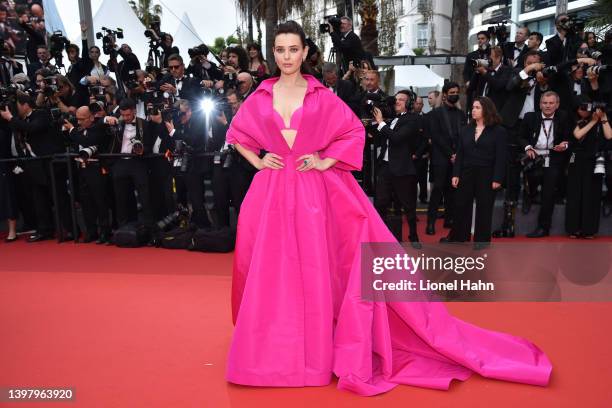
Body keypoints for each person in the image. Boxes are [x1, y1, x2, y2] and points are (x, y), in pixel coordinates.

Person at [225, 20, 551, 396]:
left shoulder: (321, 96)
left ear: (305, 53)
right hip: (272, 193)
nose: (286, 57)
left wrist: (324, 161)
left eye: (293, 49)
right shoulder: (261, 95)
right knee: (274, 270)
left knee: (316, 268)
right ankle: (272, 351)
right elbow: (237, 134)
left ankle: (315, 350)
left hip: (315, 194)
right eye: (280, 50)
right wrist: (259, 160)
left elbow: (351, 132)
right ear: (274, 53)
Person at [444, 97, 506, 248]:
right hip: (466, 172)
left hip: (487, 174)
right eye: (473, 107)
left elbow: (501, 157)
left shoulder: (499, 131)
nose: (473, 110)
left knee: (484, 208)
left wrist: (498, 178)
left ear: (486, 109)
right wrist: (456, 174)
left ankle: (481, 241)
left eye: (477, 107)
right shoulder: (466, 129)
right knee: (461, 205)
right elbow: (460, 154)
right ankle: (458, 236)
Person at [566, 101, 612, 238]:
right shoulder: (574, 119)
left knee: (592, 195)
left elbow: (609, 136)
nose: (585, 110)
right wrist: (592, 122)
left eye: (587, 108)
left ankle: (589, 229)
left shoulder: (601, 119)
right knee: (575, 194)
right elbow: (578, 135)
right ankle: (573, 228)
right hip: (577, 159)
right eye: (582, 108)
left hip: (595, 160)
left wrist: (603, 118)